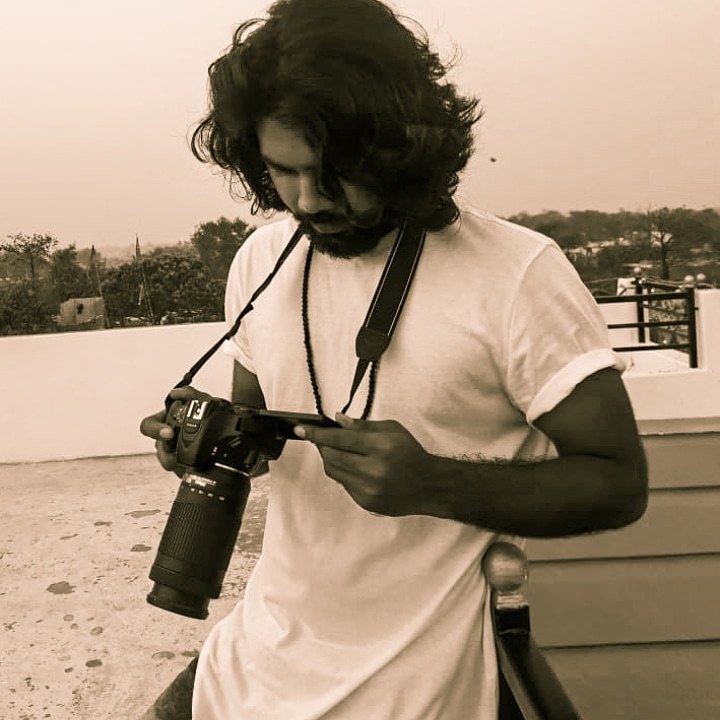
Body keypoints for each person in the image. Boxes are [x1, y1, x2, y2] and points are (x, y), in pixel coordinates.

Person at [139, 0, 648, 717]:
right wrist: (200, 442)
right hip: (258, 655)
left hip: (420, 685)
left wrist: (435, 483)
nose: (308, 200)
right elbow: (253, 439)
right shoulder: (259, 260)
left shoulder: (518, 274)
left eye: (334, 173)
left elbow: (619, 483)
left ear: (399, 146)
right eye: (283, 171)